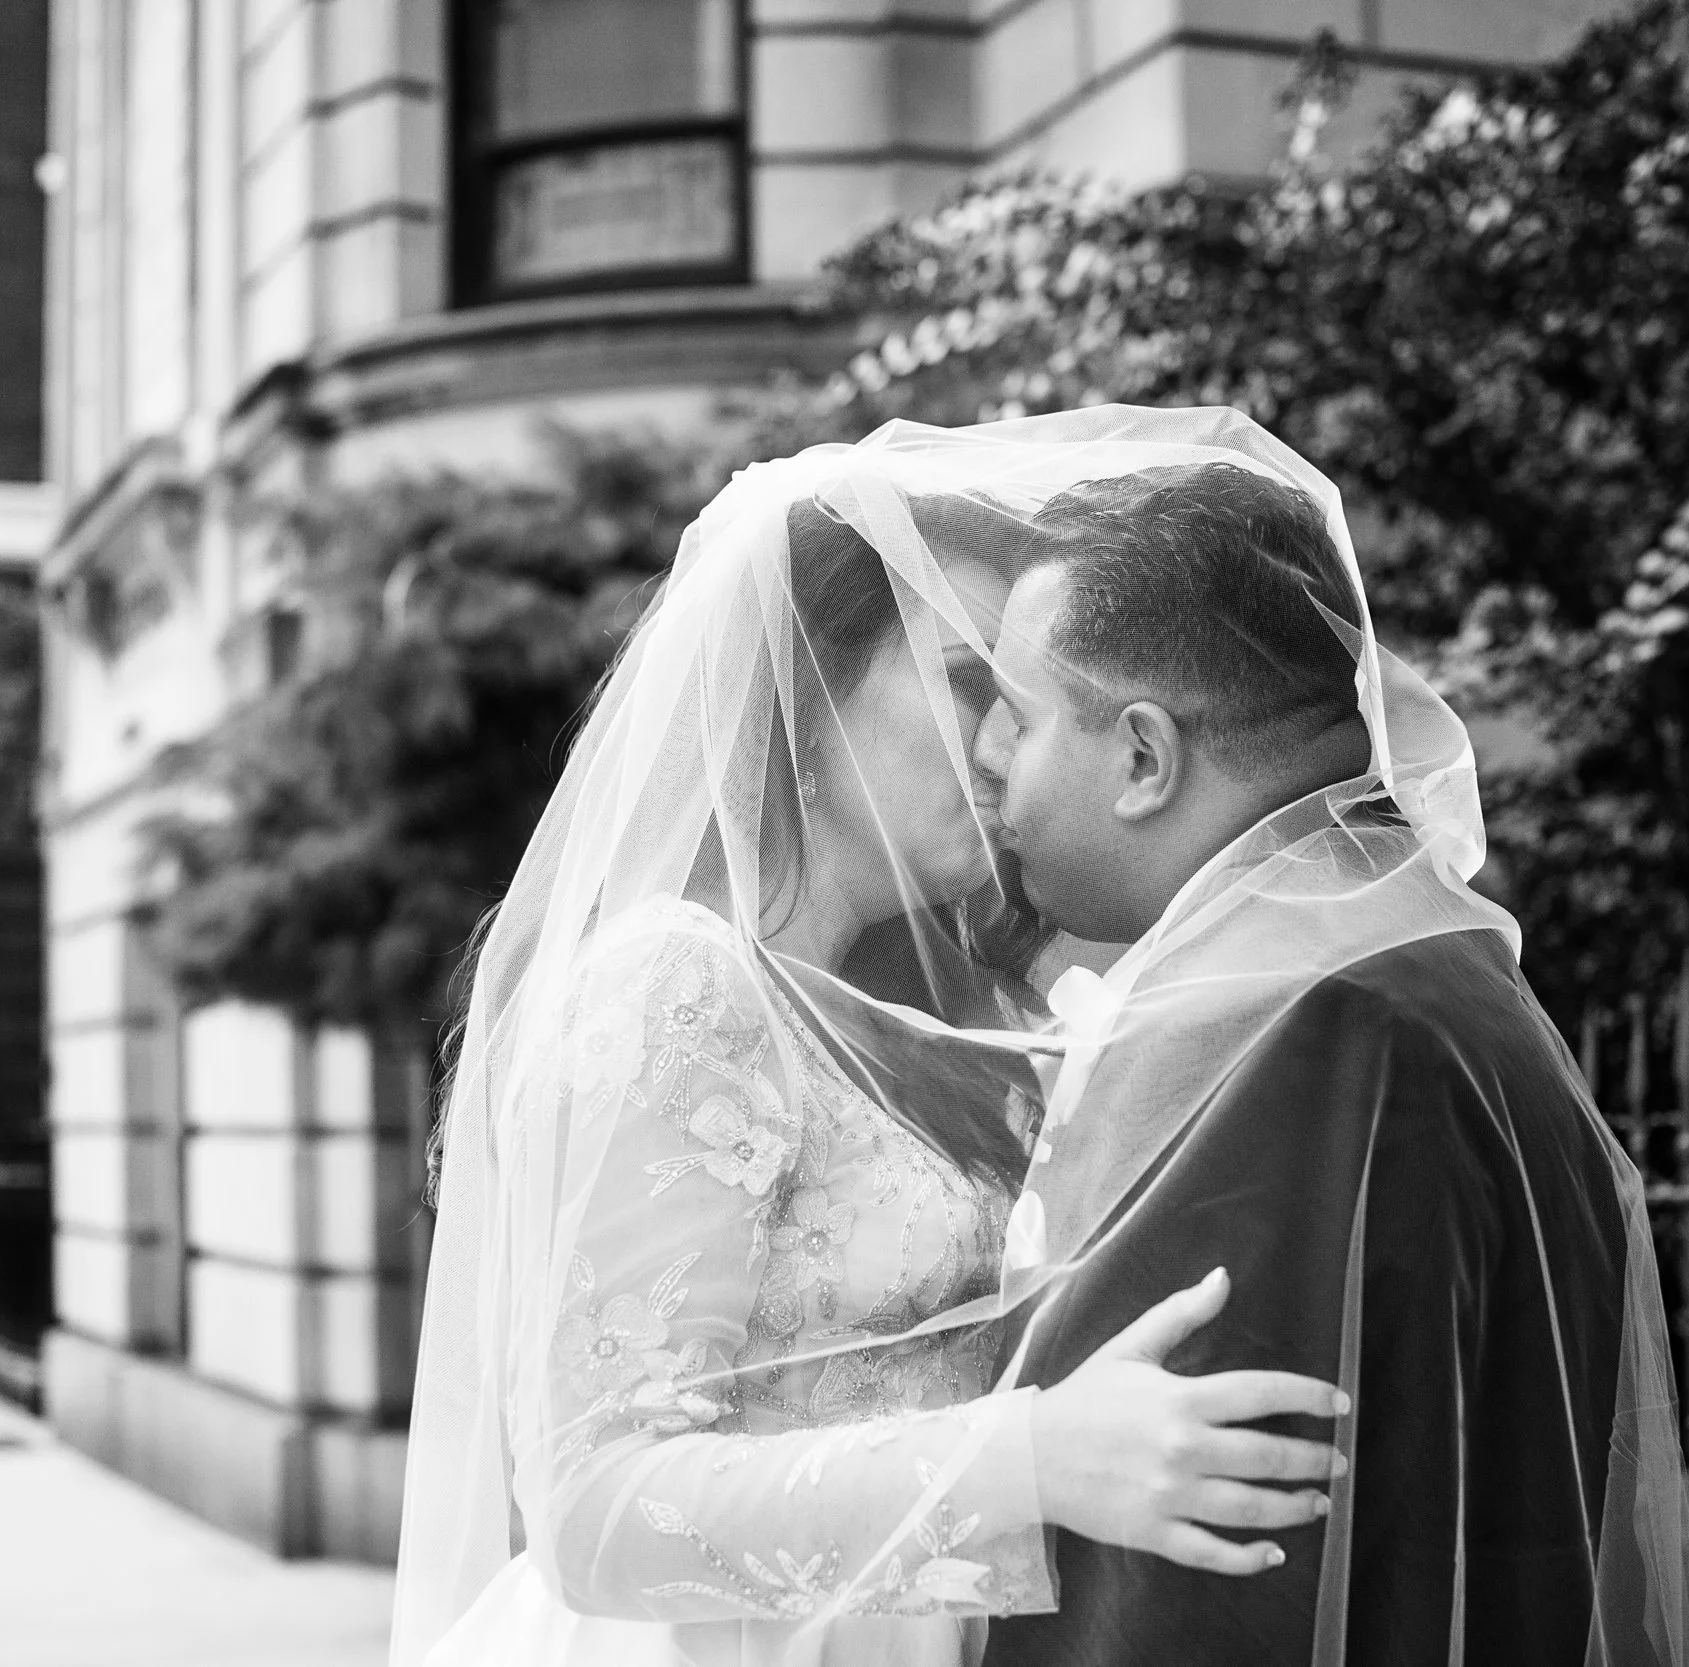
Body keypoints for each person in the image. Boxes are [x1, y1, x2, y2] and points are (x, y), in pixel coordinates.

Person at [390, 442, 1349, 1667]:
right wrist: (1036, 1457)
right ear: (808, 685)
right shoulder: (673, 986)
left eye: (1024, 700)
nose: (1007, 746)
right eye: (966, 685)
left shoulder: (934, 1004)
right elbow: (592, 1508)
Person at [967, 436, 1689, 1666]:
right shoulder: (1441, 959)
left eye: (1020, 713)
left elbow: (1196, 1573)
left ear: (1144, 758)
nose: (991, 760)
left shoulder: (1278, 1020)